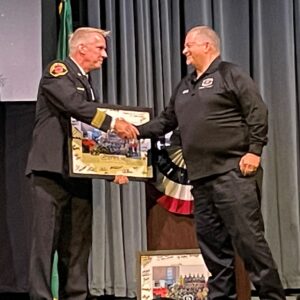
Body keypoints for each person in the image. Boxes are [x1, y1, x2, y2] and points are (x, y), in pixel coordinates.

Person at [123, 26, 286, 299]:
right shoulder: (184, 86)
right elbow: (166, 121)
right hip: (201, 180)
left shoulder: (230, 74)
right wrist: (134, 130)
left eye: (189, 45)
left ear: (207, 46)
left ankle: (273, 296)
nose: (184, 51)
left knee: (249, 242)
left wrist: (254, 151)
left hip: (233, 174)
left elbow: (257, 110)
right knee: (212, 248)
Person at [26, 27, 137, 300]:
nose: (105, 54)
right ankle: (40, 297)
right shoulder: (58, 71)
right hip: (51, 171)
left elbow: (90, 135)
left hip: (78, 174)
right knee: (45, 241)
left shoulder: (86, 82)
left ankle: (75, 296)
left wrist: (113, 169)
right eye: (100, 48)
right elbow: (75, 107)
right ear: (81, 48)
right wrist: (114, 122)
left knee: (77, 244)